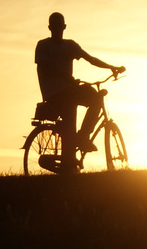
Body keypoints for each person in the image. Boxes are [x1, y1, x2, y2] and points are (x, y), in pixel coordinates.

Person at [35, 12, 123, 154]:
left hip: (65, 92)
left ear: (63, 27)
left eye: (59, 26)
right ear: (51, 28)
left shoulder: (67, 46)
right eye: (55, 26)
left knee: (90, 99)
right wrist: (66, 78)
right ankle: (82, 137)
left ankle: (71, 158)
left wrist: (111, 67)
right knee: (95, 97)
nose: (58, 29)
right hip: (55, 94)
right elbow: (45, 69)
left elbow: (91, 59)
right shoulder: (44, 46)